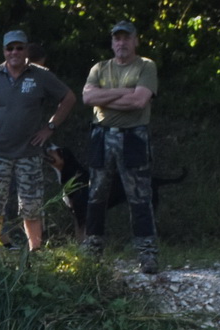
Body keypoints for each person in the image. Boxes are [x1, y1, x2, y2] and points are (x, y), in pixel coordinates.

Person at [0, 29, 77, 252]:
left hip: (29, 152)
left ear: (26, 50)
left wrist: (50, 128)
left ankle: (35, 253)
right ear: (4, 51)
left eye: (19, 48)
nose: (14, 52)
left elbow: (69, 98)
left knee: (32, 206)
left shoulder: (40, 75)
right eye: (10, 48)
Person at [81, 20, 160, 274]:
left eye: (126, 38)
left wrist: (105, 97)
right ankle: (92, 251)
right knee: (96, 195)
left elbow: (138, 101)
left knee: (139, 197)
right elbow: (88, 97)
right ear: (112, 42)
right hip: (101, 136)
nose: (121, 43)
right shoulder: (99, 68)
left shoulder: (146, 66)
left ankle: (147, 254)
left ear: (135, 40)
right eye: (117, 38)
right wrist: (124, 91)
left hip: (133, 137)